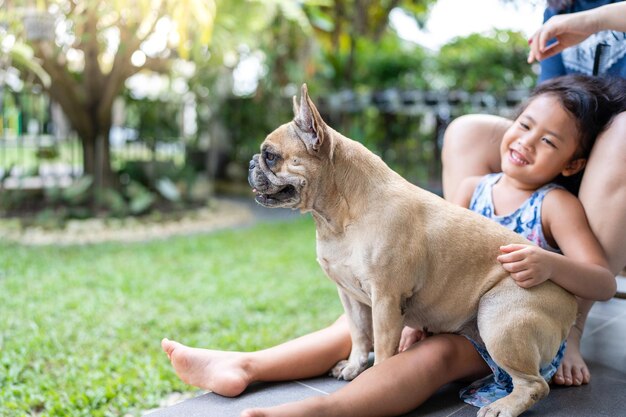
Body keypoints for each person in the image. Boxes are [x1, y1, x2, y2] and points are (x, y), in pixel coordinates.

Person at [162, 74, 622, 417]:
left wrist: (546, 264)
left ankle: (331, 410)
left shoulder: (555, 204)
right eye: (523, 125)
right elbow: (421, 263)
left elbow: (602, 281)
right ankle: (248, 366)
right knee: (349, 326)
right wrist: (408, 319)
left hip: (505, 313)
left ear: (572, 163)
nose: (525, 142)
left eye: (548, 141)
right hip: (449, 307)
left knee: (431, 357)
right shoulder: (474, 187)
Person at [443, 0, 626, 387]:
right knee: (466, 131)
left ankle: (566, 327)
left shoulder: (578, 14)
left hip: (617, 161)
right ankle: (453, 291)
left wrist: (590, 22)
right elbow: (551, 101)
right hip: (566, 148)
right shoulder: (560, 5)